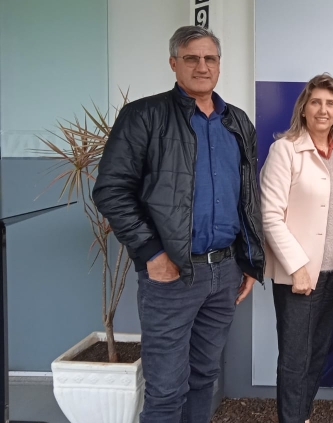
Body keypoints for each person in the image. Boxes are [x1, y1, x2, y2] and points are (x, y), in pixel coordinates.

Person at [93, 26, 265, 423]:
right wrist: (152, 254)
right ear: (174, 64)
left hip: (224, 273)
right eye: (191, 58)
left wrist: (249, 260)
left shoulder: (236, 122)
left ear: (219, 64)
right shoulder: (144, 116)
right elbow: (110, 190)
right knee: (167, 389)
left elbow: (247, 197)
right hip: (171, 276)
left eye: (210, 58)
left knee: (205, 377)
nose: (202, 66)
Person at [260, 74, 333, 423]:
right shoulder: (285, 150)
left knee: (317, 353)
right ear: (304, 109)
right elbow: (270, 216)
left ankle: (301, 416)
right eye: (316, 102)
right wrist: (297, 267)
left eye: (330, 103)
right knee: (294, 356)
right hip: (300, 275)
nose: (323, 109)